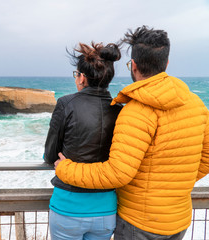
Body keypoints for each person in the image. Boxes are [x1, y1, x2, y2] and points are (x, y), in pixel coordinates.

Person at [54, 25, 209, 240]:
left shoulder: (137, 111)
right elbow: (206, 158)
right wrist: (173, 184)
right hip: (178, 220)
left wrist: (65, 169)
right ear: (167, 62)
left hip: (140, 223)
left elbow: (117, 173)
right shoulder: (196, 103)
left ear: (133, 65)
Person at [44, 41, 122, 240]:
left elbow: (51, 155)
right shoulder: (121, 111)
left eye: (76, 74)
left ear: (82, 78)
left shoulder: (65, 104)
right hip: (106, 209)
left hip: (67, 208)